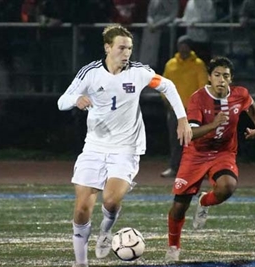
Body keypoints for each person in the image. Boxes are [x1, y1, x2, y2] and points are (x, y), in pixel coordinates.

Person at [57, 24, 192, 267]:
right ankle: (81, 263)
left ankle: (106, 231)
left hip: (126, 149)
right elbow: (61, 101)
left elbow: (168, 86)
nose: (127, 52)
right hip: (94, 148)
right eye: (122, 47)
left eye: (129, 48)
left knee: (110, 201)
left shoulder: (138, 72)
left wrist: (182, 119)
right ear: (108, 48)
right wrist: (77, 99)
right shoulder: (90, 73)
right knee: (81, 210)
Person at [164, 56, 255, 261]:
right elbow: (190, 133)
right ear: (209, 77)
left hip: (223, 153)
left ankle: (204, 201)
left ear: (231, 78)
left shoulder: (239, 93)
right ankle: (174, 246)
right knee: (179, 207)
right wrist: (214, 124)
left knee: (227, 187)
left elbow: (250, 104)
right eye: (217, 75)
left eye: (225, 76)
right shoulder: (198, 98)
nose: (221, 79)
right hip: (196, 154)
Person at [160, 35, 208, 178]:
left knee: (196, 140)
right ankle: (175, 168)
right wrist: (166, 100)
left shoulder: (198, 64)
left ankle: (200, 169)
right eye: (181, 45)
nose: (183, 48)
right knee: (175, 140)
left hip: (192, 110)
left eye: (185, 45)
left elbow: (203, 85)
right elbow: (163, 84)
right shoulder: (171, 64)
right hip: (175, 109)